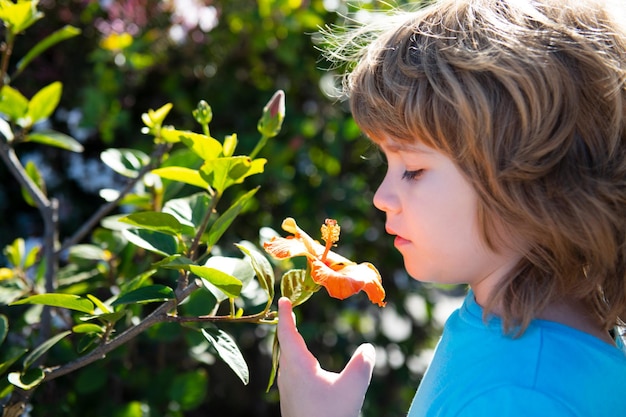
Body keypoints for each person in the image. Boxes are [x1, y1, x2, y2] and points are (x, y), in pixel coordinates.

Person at [275, 0, 626, 415]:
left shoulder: (521, 398)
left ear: (530, 178)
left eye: (414, 168)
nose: (381, 197)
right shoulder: (498, 325)